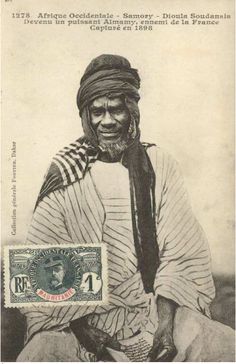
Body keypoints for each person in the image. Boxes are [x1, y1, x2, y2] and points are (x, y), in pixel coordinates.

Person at [17, 54, 235, 362]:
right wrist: (85, 332)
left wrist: (165, 326)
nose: (107, 121)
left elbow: (181, 256)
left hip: (153, 311)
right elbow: (41, 264)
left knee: (221, 344)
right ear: (86, 115)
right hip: (80, 320)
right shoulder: (65, 173)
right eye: (97, 111)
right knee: (40, 355)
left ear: (131, 112)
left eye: (116, 109)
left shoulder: (158, 165)